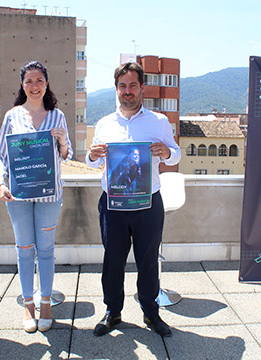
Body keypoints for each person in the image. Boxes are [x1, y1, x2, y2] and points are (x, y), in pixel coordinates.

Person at [87, 62, 181, 337]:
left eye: (132, 85)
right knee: (113, 261)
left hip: (148, 203)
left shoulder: (159, 122)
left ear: (142, 88)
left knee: (148, 261)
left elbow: (175, 155)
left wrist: (166, 151)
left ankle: (151, 314)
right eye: (122, 86)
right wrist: (93, 155)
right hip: (113, 204)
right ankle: (112, 313)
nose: (127, 91)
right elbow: (92, 165)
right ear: (116, 89)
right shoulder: (104, 124)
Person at [0, 60, 72, 333]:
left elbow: (67, 154)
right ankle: (28, 303)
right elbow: (0, 155)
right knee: (24, 249)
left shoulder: (57, 116)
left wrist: (62, 140)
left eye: (39, 80)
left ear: (46, 83)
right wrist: (0, 183)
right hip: (19, 195)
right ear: (22, 85)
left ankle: (46, 302)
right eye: (29, 81)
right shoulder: (12, 116)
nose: (34, 86)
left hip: (50, 194)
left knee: (47, 250)